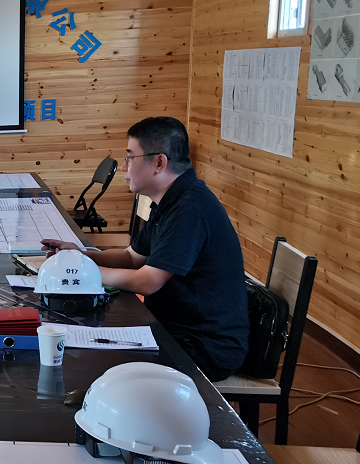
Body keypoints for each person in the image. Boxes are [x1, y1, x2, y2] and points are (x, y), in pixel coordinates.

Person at [42, 116, 249, 381]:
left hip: (203, 346)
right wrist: (78, 255)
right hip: (171, 328)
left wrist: (79, 272)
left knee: (87, 359)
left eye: (130, 158)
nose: (124, 167)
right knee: (82, 343)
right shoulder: (172, 199)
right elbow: (131, 257)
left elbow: (147, 282)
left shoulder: (189, 209)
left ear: (159, 163)